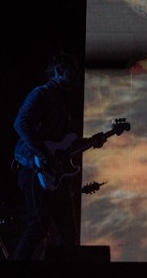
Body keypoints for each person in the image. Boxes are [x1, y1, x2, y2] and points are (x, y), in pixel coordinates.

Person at [11, 53, 102, 260]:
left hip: (55, 173)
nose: (77, 75)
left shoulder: (63, 102)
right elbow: (20, 123)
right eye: (72, 70)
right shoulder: (41, 94)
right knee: (37, 228)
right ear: (59, 71)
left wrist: (92, 141)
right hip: (34, 169)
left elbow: (64, 144)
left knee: (68, 234)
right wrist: (44, 155)